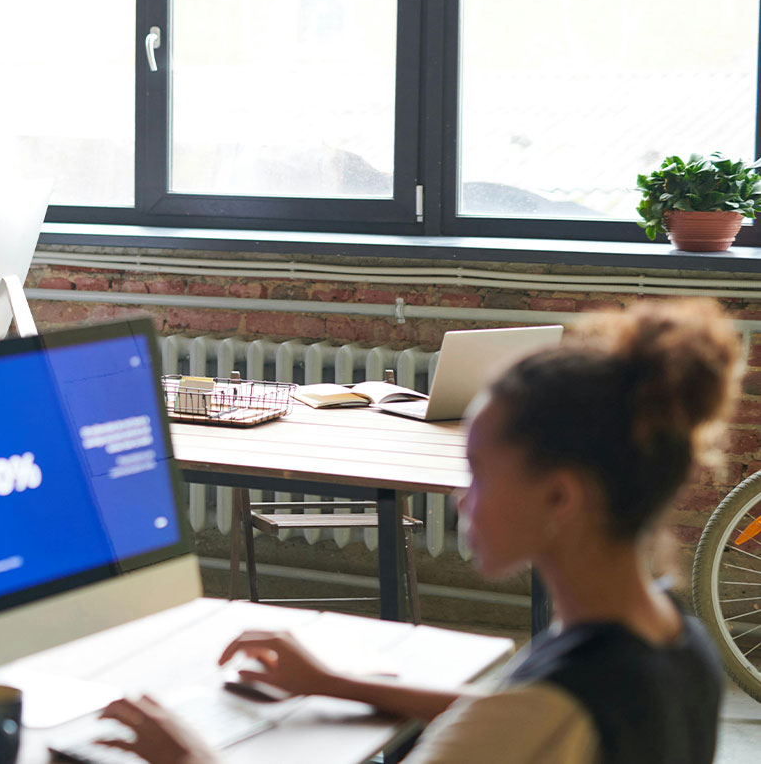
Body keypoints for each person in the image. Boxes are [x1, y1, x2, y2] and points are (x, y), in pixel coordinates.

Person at [102, 300, 733, 764]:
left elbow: (517, 723)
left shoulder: (546, 712)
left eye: (479, 477)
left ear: (560, 497)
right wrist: (332, 682)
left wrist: (189, 759)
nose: (463, 499)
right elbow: (504, 718)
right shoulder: (672, 636)